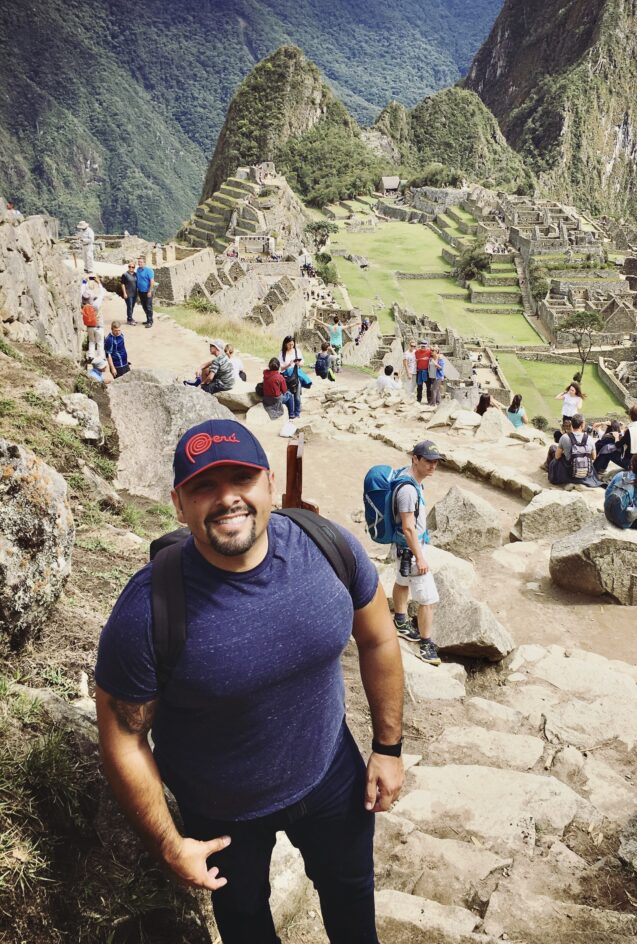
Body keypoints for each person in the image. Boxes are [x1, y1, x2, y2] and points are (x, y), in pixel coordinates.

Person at [95, 419, 404, 943]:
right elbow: (123, 736)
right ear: (178, 503)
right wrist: (170, 843)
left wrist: (388, 747)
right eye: (204, 486)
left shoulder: (326, 549)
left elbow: (378, 639)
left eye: (242, 479)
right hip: (221, 812)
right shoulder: (149, 609)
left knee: (353, 910)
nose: (227, 499)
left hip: (331, 773)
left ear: (269, 484)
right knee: (247, 931)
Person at [391, 441, 442, 666]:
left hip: (400, 547)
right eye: (428, 461)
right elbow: (408, 527)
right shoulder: (409, 490)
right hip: (410, 550)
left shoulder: (406, 477)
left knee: (402, 582)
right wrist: (420, 557)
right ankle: (426, 645)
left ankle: (400, 622)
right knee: (428, 600)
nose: (433, 466)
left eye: (436, 461)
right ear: (415, 459)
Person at [555, 414, 600, 487]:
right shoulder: (590, 438)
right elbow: (594, 457)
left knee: (554, 455)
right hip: (586, 473)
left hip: (569, 471)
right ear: (582, 424)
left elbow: (557, 456)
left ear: (572, 424)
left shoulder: (564, 437)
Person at [81, 277, 105, 363]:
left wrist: (84, 281)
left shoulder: (83, 303)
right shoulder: (96, 304)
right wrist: (99, 283)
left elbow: (82, 290)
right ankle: (101, 357)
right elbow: (102, 293)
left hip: (89, 325)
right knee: (100, 342)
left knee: (91, 341)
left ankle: (91, 356)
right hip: (98, 325)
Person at [279, 335, 304, 418]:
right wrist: (288, 364)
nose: (291, 346)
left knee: (297, 396)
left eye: (292, 344)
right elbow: (280, 367)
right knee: (288, 395)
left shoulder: (297, 351)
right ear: (285, 344)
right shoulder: (282, 353)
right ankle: (291, 413)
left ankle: (297, 413)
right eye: (289, 344)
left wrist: (298, 363)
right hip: (286, 377)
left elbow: (302, 363)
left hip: (295, 376)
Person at [136, 256, 155, 328]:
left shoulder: (149, 270)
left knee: (148, 307)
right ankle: (148, 320)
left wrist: (149, 291)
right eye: (139, 262)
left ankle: (150, 322)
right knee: (144, 306)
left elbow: (152, 281)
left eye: (141, 262)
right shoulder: (138, 270)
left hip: (148, 292)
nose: (139, 263)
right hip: (141, 291)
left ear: (144, 263)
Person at [414, 340, 432, 404]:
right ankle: (419, 399)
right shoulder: (417, 352)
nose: (423, 347)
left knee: (428, 387)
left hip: (426, 371)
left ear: (426, 346)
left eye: (424, 346)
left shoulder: (429, 352)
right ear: (420, 346)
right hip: (419, 371)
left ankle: (429, 400)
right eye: (422, 346)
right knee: (419, 386)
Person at [120, 262, 139, 326]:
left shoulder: (135, 274)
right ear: (128, 267)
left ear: (134, 268)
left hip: (134, 293)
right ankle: (129, 320)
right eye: (130, 266)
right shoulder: (125, 274)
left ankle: (130, 317)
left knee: (132, 306)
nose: (131, 268)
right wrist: (124, 293)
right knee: (129, 306)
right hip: (128, 293)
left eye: (132, 267)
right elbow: (122, 284)